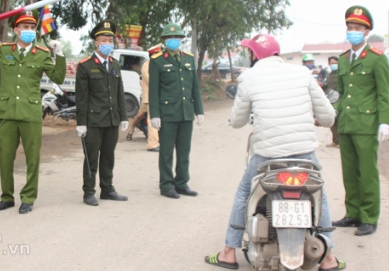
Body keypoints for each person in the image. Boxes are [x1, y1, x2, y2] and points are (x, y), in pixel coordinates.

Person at [205, 34, 345, 270]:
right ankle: (329, 257)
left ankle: (229, 252)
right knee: (319, 192)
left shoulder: (249, 78)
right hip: (304, 155)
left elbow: (237, 121)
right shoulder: (302, 74)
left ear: (253, 55)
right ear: (277, 54)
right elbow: (328, 116)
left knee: (243, 193)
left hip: (266, 157)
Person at [0, 11, 66, 214]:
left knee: (32, 159)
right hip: (7, 113)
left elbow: (58, 77)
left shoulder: (41, 53)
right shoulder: (4, 51)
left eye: (32, 28)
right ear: (16, 30)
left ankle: (28, 197)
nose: (29, 31)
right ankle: (6, 197)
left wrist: (60, 54)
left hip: (30, 114)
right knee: (5, 157)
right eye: (25, 28)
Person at [332, 5, 389, 236]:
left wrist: (384, 122)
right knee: (349, 172)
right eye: (350, 27)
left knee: (367, 172)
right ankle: (353, 213)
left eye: (357, 28)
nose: (352, 31)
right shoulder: (344, 59)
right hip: (346, 124)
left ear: (367, 32)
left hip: (366, 125)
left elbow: (382, 94)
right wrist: (330, 111)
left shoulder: (377, 59)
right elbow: (342, 93)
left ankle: (369, 217)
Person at [75, 20, 129, 207]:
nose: (108, 43)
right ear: (96, 43)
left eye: (110, 40)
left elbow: (119, 91)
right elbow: (81, 97)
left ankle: (107, 189)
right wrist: (80, 122)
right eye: (104, 40)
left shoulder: (114, 65)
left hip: (112, 119)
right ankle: (89, 192)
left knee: (108, 155)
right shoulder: (85, 66)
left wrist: (123, 116)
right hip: (93, 120)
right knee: (91, 157)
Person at [149, 23, 204, 199]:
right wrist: (155, 114)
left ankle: (181, 183)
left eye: (177, 38)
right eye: (170, 38)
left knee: (184, 151)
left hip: (186, 112)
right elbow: (153, 90)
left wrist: (199, 110)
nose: (174, 40)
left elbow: (195, 87)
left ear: (181, 39)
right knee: (166, 152)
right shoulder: (157, 60)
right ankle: (166, 185)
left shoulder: (188, 59)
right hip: (168, 114)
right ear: (165, 40)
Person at [126, 44, 162, 152]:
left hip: (158, 97)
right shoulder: (147, 66)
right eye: (158, 54)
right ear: (153, 55)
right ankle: (133, 131)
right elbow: (152, 81)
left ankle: (158, 139)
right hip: (149, 97)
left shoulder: (158, 65)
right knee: (142, 116)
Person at [325, 56, 339, 147]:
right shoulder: (329, 76)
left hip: (340, 99)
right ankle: (335, 141)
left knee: (340, 121)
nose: (334, 65)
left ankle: (342, 142)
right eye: (332, 63)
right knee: (332, 121)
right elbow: (328, 87)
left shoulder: (342, 74)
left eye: (336, 63)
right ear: (329, 64)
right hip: (331, 99)